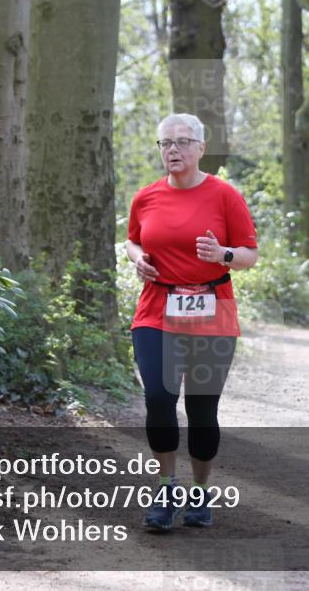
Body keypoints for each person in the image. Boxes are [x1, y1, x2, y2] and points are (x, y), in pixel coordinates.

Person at [125, 113, 258, 531]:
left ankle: (200, 491)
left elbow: (250, 255)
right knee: (159, 399)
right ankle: (166, 487)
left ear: (201, 148)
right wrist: (137, 258)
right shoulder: (145, 197)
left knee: (202, 410)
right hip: (157, 310)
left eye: (183, 142)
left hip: (212, 314)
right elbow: (132, 239)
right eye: (165, 143)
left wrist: (225, 256)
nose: (173, 150)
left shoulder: (224, 196)